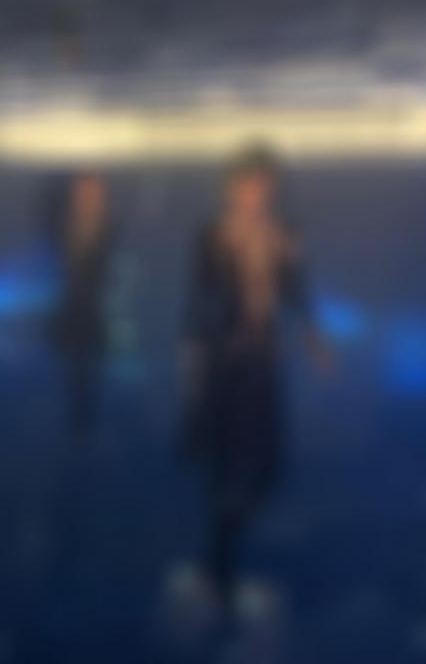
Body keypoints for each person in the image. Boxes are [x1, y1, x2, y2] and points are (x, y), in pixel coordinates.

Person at [179, 145, 324, 619]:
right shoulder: (214, 235)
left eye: (262, 185)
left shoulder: (282, 233)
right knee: (225, 456)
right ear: (231, 187)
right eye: (247, 184)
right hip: (227, 359)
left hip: (263, 358)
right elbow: (201, 298)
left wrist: (311, 333)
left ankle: (233, 533)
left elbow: (295, 286)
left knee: (264, 457)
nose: (256, 193)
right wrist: (195, 358)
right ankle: (219, 557)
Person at [50, 172, 113, 442]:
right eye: (83, 194)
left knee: (92, 378)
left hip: (96, 320)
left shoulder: (109, 230)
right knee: (75, 376)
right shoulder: (62, 230)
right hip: (71, 320)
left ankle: (87, 427)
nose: (88, 199)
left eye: (93, 194)